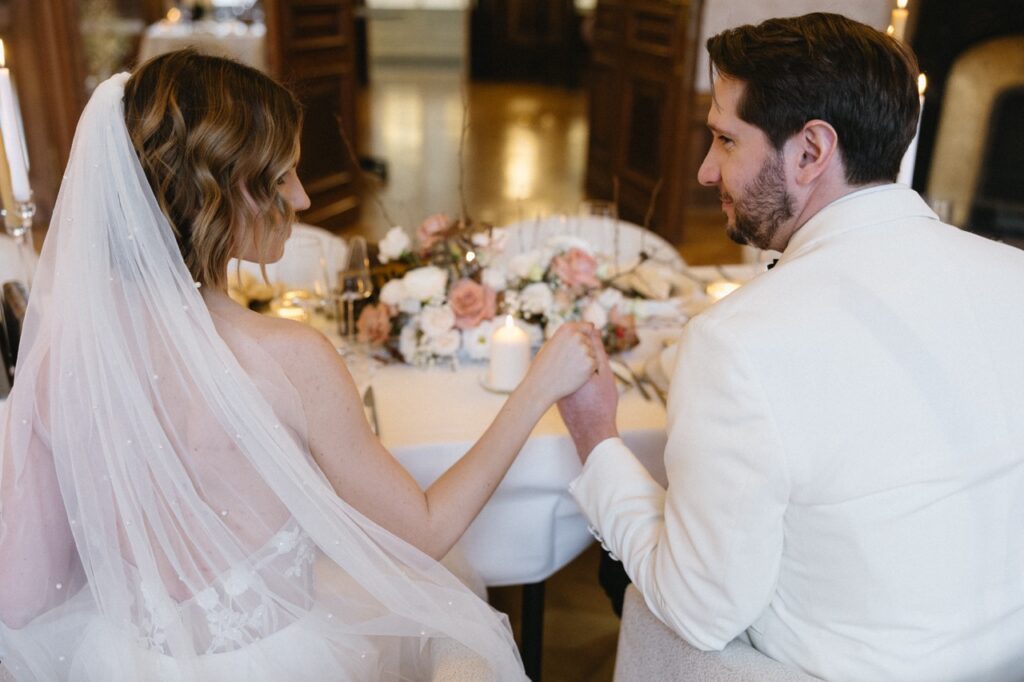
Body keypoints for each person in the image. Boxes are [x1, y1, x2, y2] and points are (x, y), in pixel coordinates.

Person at [0, 50, 602, 681]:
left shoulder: (55, 367)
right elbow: (424, 532)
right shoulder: (289, 358)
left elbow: (18, 595)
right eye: (282, 177)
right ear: (220, 193)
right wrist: (536, 389)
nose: (304, 197)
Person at [558, 12, 1024, 681]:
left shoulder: (738, 344)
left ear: (810, 152)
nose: (703, 172)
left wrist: (596, 439)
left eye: (723, 139)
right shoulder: (1015, 277)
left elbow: (700, 611)